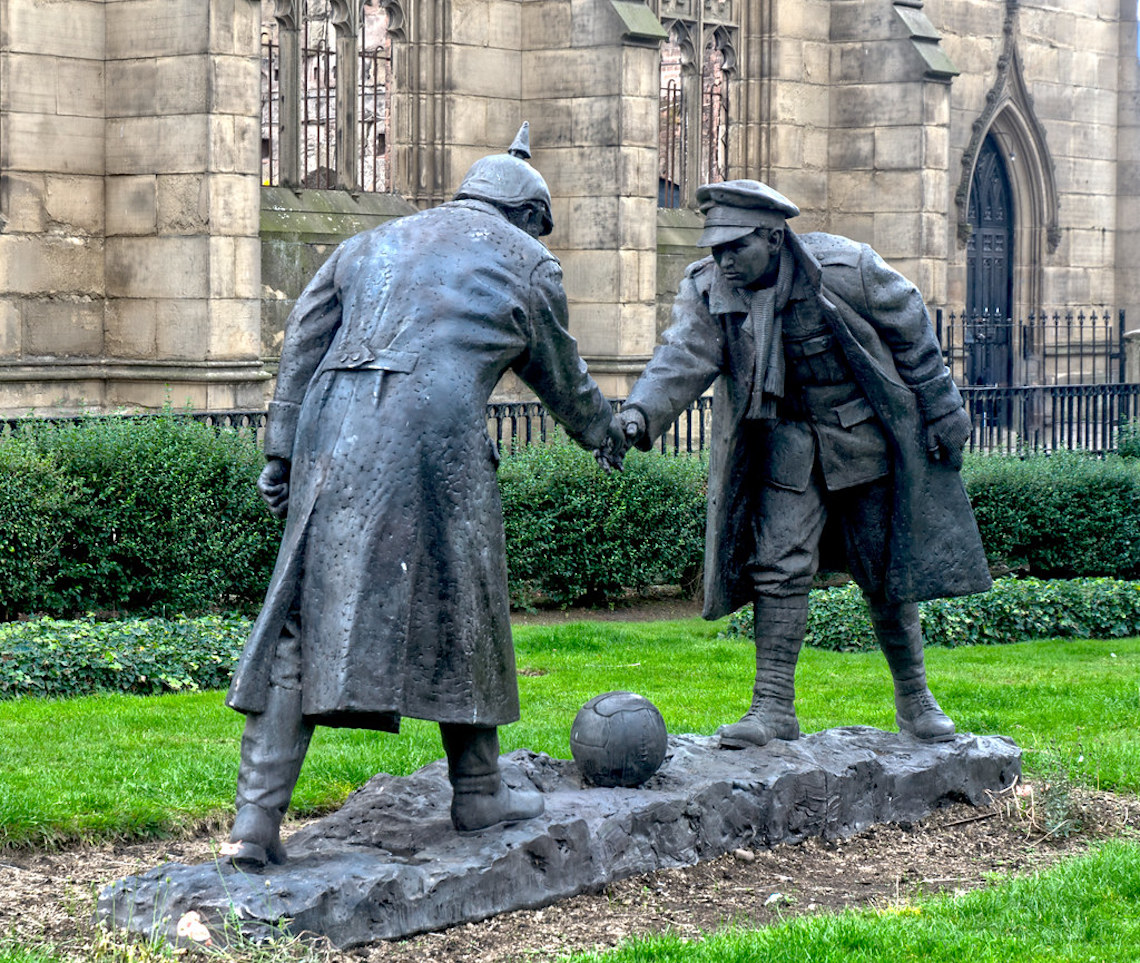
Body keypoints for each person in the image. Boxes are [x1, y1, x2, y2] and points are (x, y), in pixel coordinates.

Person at [224, 125, 626, 868]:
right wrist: (605, 432)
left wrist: (280, 451)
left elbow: (304, 339)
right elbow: (561, 375)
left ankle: (254, 823)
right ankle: (478, 790)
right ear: (528, 216)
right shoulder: (528, 262)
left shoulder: (372, 241)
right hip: (433, 432)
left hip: (332, 425)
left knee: (297, 619)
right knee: (462, 604)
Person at [619, 179, 992, 750]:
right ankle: (772, 707)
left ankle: (915, 698)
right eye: (715, 249)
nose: (723, 260)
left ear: (773, 237)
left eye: (734, 247)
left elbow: (912, 327)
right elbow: (681, 355)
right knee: (778, 565)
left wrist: (943, 409)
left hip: (860, 435)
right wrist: (639, 415)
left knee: (885, 569)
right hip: (787, 442)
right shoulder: (709, 287)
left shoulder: (847, 269)